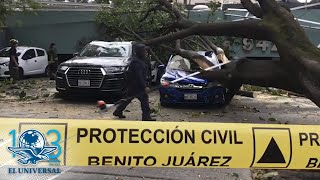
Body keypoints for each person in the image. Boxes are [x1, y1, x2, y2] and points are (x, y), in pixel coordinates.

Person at [113, 43, 155, 121]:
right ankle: (146, 117)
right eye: (145, 51)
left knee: (128, 99)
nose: (146, 53)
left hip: (133, 85)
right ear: (141, 52)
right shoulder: (137, 62)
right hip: (137, 86)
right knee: (144, 100)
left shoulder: (138, 60)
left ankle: (118, 111)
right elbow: (139, 76)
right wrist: (144, 86)